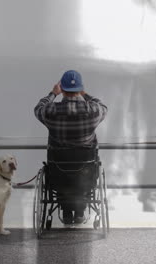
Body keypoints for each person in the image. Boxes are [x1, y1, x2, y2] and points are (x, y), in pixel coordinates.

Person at [34, 70, 108, 224]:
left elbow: (38, 108)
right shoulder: (92, 111)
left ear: (62, 89)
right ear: (80, 89)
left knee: (64, 176)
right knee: (81, 171)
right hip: (86, 173)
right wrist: (85, 93)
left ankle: (66, 212)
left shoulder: (51, 111)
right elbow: (103, 106)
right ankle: (80, 212)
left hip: (58, 173)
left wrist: (53, 94)